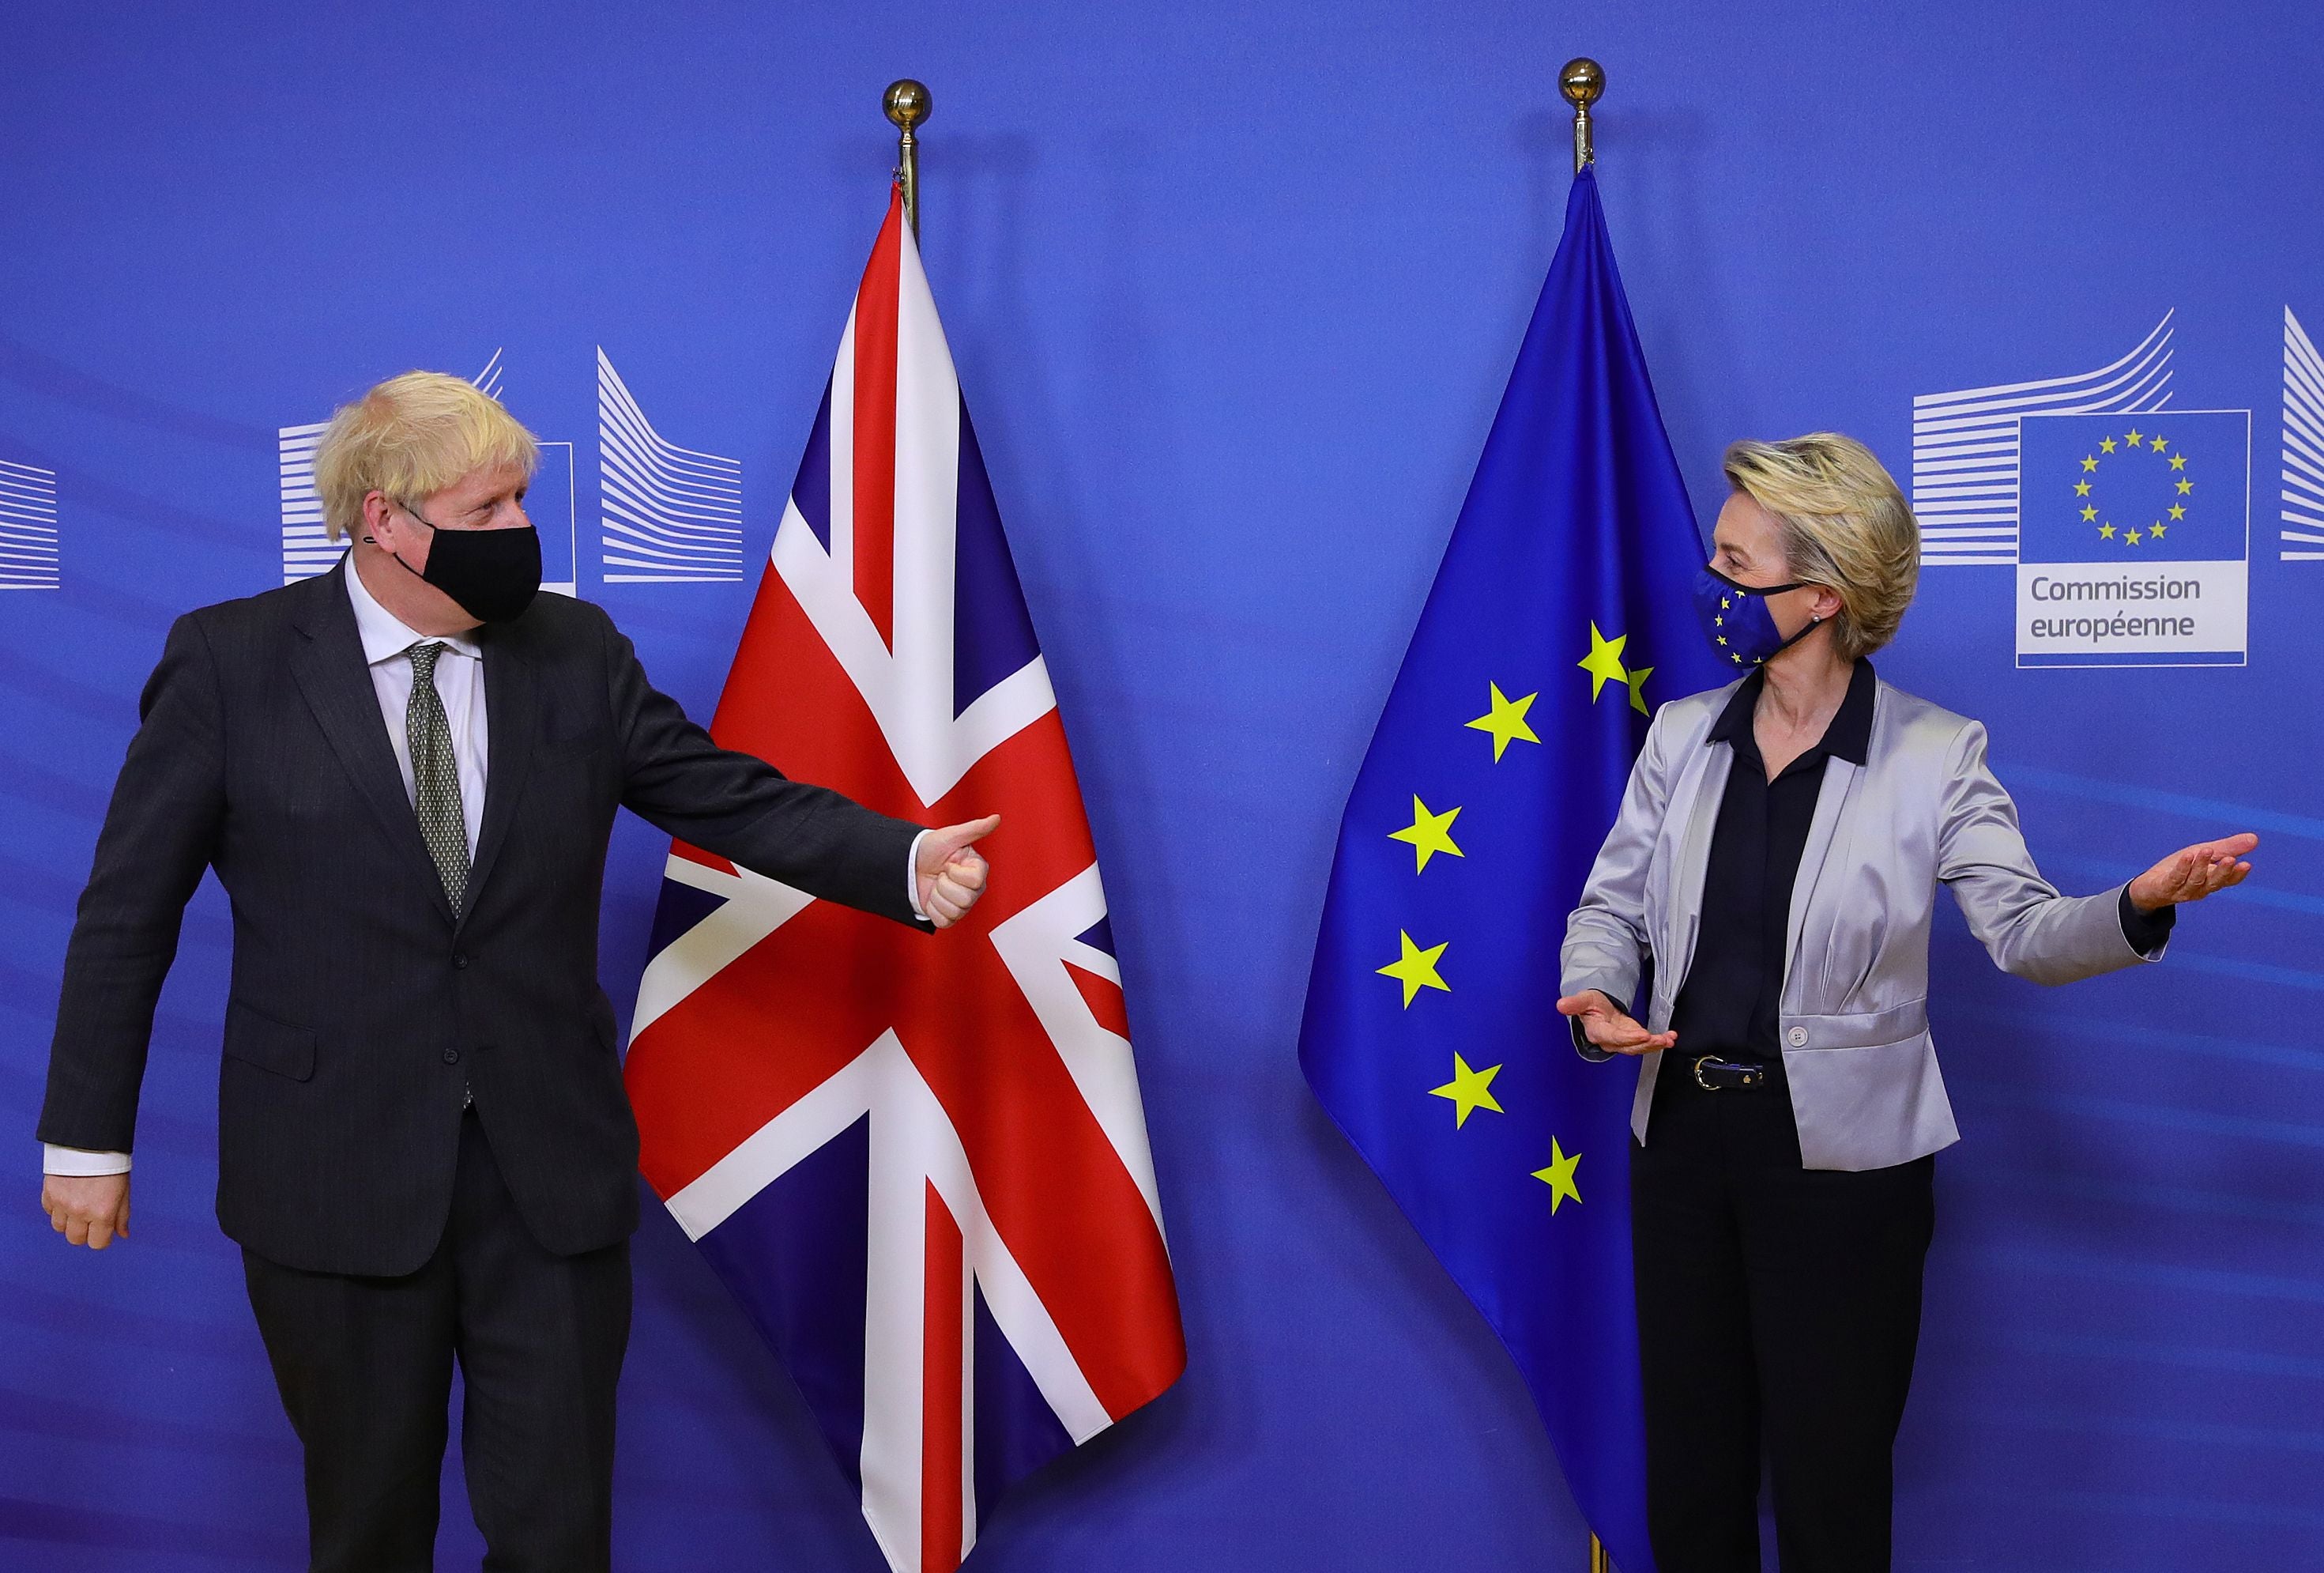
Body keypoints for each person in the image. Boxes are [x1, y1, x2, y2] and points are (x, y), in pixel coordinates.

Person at [35, 371, 1002, 1571]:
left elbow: (718, 792)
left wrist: (898, 859)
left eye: (520, 499)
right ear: (382, 519)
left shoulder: (574, 650)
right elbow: (127, 913)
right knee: (368, 1531)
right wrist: (87, 1139)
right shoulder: (231, 662)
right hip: (334, 1175)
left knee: (555, 1537)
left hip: (546, 1176)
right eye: (485, 508)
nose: (518, 532)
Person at [1556, 433, 2255, 1572]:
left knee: (1831, 1489)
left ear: (1821, 595)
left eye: (1736, 566)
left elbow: (2024, 934)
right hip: (1677, 1141)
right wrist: (1591, 988)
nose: (1710, 586)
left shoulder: (1936, 754)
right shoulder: (1682, 734)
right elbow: (1609, 904)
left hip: (1844, 1170)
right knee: (1691, 1479)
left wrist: (2133, 904)